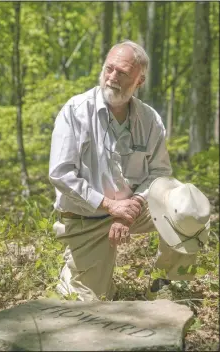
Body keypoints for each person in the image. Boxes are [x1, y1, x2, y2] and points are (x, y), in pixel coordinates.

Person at [49, 40, 197, 301]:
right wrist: (109, 205)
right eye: (109, 69)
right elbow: (61, 173)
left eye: (123, 73)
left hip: (134, 210)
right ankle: (73, 274)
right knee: (90, 302)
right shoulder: (75, 111)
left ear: (139, 81)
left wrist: (132, 206)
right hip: (87, 218)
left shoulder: (150, 120)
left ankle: (167, 284)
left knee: (188, 207)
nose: (112, 78)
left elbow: (160, 172)